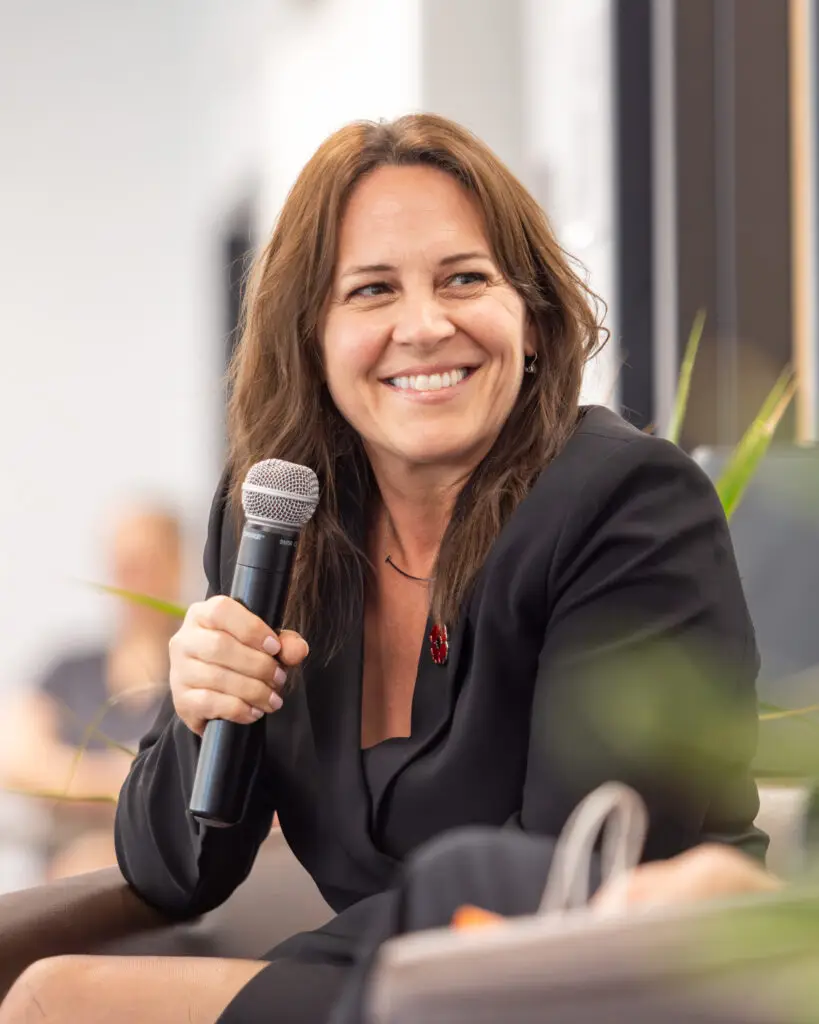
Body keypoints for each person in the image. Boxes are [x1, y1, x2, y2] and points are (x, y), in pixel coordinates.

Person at [0, 113, 765, 1023]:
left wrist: (279, 978)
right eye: (370, 291)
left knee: (61, 1000)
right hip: (406, 988)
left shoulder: (624, 504)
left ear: (531, 320)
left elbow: (574, 879)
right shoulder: (278, 519)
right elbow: (176, 870)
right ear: (312, 342)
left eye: (464, 279)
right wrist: (203, 717)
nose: (424, 324)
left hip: (605, 989)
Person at [0, 505, 180, 879]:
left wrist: (72, 781)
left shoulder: (194, 670)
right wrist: (129, 783)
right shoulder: (67, 670)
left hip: (155, 870)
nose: (133, 580)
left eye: (146, 563)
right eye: (124, 565)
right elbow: (17, 762)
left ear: (176, 565)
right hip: (63, 875)